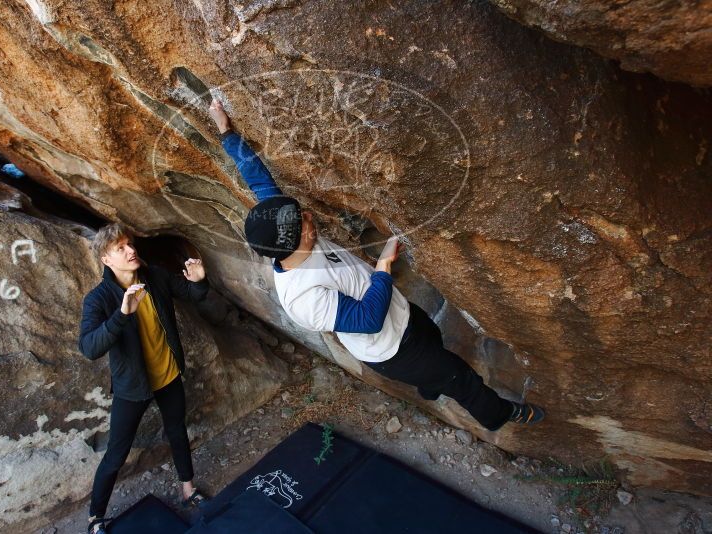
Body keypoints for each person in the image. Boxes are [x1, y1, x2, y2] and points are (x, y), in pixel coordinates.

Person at [209, 98, 544, 434]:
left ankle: (430, 383)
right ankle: (503, 414)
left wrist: (226, 132)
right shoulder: (301, 297)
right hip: (392, 349)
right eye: (304, 223)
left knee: (431, 331)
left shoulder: (282, 232)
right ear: (291, 243)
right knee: (462, 378)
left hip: (404, 315)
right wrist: (383, 266)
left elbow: (260, 182)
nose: (309, 218)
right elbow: (367, 320)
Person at [78, 224, 208, 534]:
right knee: (116, 455)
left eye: (129, 244)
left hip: (168, 373)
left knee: (177, 431)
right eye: (120, 248)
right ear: (106, 259)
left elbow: (193, 294)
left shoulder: (156, 277)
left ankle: (188, 490)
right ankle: (95, 517)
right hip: (132, 386)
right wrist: (122, 314)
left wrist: (201, 281)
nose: (130, 250)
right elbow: (89, 347)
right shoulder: (98, 299)